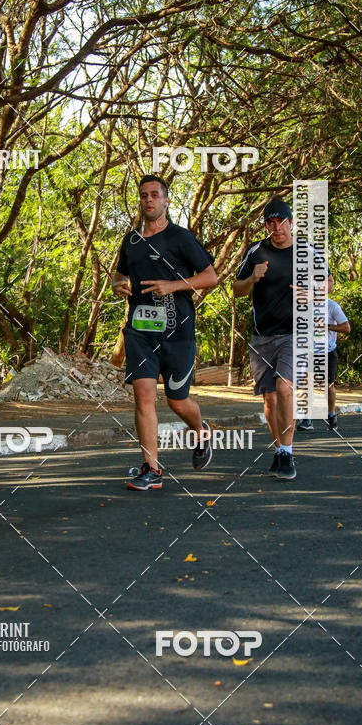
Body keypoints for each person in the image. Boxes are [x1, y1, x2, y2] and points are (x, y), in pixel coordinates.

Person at [112, 175, 218, 490]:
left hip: (178, 332)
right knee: (143, 395)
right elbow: (120, 272)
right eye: (144, 195)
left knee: (177, 402)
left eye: (155, 195)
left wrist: (173, 285)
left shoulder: (181, 238)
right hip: (140, 330)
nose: (149, 200)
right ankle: (152, 469)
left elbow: (210, 277)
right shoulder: (131, 240)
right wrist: (118, 284)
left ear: (166, 200)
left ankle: (201, 430)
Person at [233, 198, 298, 480]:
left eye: (282, 222)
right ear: (266, 226)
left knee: (285, 389)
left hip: (294, 334)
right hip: (262, 337)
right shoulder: (256, 251)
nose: (277, 228)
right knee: (269, 399)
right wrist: (252, 280)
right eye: (271, 223)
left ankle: (288, 451)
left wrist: (316, 290)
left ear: (291, 222)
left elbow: (328, 281)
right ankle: (280, 450)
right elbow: (236, 289)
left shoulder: (306, 252)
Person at [296, 273, 350, 431]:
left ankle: (331, 414)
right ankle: (307, 420)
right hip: (310, 351)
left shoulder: (332, 306)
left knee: (328, 386)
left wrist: (326, 326)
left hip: (328, 351)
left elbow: (346, 328)